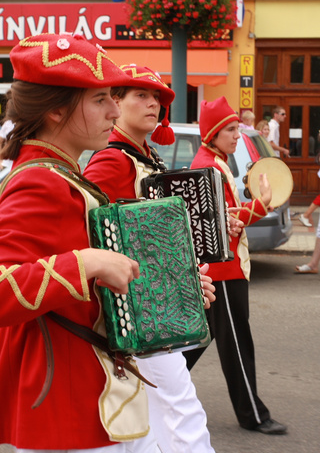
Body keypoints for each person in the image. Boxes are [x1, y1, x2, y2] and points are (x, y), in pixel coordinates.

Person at [0, 32, 167, 452]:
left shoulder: (61, 174)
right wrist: (87, 263)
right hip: (63, 399)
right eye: (99, 99)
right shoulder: (39, 180)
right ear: (56, 109)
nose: (115, 111)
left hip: (88, 389)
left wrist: (166, 288)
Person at [84, 64, 219, 453]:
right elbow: (98, 233)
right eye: (140, 95)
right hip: (141, 305)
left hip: (153, 300)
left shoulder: (147, 157)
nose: (153, 103)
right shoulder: (112, 160)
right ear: (116, 103)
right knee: (179, 405)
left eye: (157, 97)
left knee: (158, 411)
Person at [183, 96, 288, 435]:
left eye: (236, 129)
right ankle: (253, 415)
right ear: (212, 133)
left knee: (196, 342)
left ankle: (152, 391)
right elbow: (220, 224)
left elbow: (224, 215)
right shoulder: (210, 166)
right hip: (223, 271)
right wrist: (261, 204)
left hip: (223, 269)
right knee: (237, 344)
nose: (236, 136)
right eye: (229, 130)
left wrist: (251, 205)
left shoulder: (215, 161)